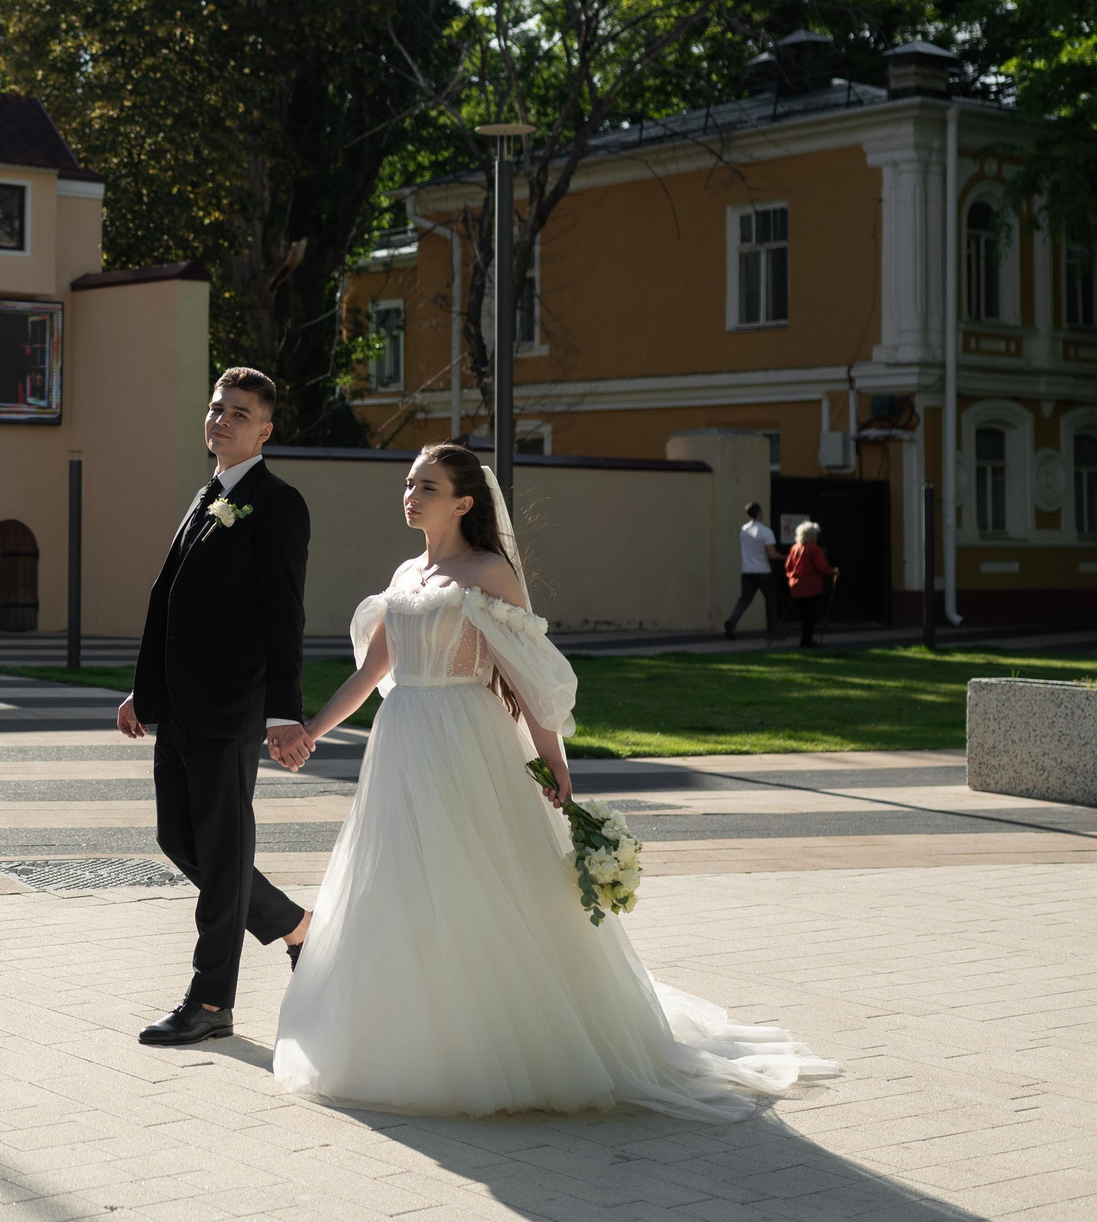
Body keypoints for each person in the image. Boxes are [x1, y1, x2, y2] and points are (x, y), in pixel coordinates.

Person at [270, 442, 836, 1118]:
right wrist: (311, 729)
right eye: (409, 482)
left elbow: (527, 677)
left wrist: (555, 763)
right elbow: (370, 676)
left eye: (426, 484)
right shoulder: (405, 573)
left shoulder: (489, 572)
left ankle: (500, 1041)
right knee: (399, 875)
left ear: (464, 500)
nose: (411, 493)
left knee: (478, 878)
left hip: (466, 740)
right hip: (402, 740)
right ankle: (403, 1034)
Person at [117, 367, 314, 1048]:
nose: (221, 418)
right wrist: (145, 692)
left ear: (265, 429)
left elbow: (283, 616)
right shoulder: (209, 496)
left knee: (223, 855)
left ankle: (210, 1002)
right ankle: (294, 925)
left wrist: (283, 712)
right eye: (215, 407)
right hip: (178, 710)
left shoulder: (275, 501)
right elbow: (169, 603)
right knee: (181, 840)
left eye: (238, 411)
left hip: (229, 711)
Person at [724, 501, 782, 641]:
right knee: (771, 600)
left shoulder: (744, 530)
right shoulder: (766, 531)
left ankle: (732, 622)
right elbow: (772, 554)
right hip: (763, 571)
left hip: (747, 570)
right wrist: (787, 557)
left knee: (745, 599)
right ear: (759, 513)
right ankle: (772, 631)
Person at [785, 520, 837, 649]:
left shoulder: (795, 548)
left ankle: (805, 638)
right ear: (812, 536)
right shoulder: (814, 549)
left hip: (796, 587)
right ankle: (807, 639)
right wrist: (833, 572)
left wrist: (793, 577)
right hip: (811, 587)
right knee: (810, 615)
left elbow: (788, 567)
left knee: (804, 615)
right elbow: (822, 567)